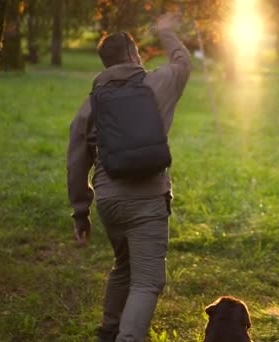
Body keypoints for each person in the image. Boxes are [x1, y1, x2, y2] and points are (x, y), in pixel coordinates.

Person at [66, 13, 190, 342]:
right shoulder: (157, 85)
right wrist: (165, 32)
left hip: (109, 202)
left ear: (105, 65)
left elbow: (76, 160)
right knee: (147, 281)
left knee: (124, 265)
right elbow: (182, 62)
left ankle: (109, 330)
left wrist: (81, 211)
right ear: (134, 55)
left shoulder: (90, 105)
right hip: (147, 201)